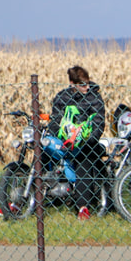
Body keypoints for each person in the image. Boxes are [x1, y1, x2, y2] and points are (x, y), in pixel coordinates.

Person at [48, 65, 106, 220]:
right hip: (64, 141)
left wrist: (87, 139)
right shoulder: (62, 97)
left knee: (83, 160)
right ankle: (20, 202)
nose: (87, 87)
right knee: (42, 151)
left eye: (87, 83)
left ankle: (83, 207)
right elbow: (55, 120)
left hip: (87, 143)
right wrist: (58, 135)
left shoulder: (94, 97)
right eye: (82, 84)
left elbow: (99, 123)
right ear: (72, 83)